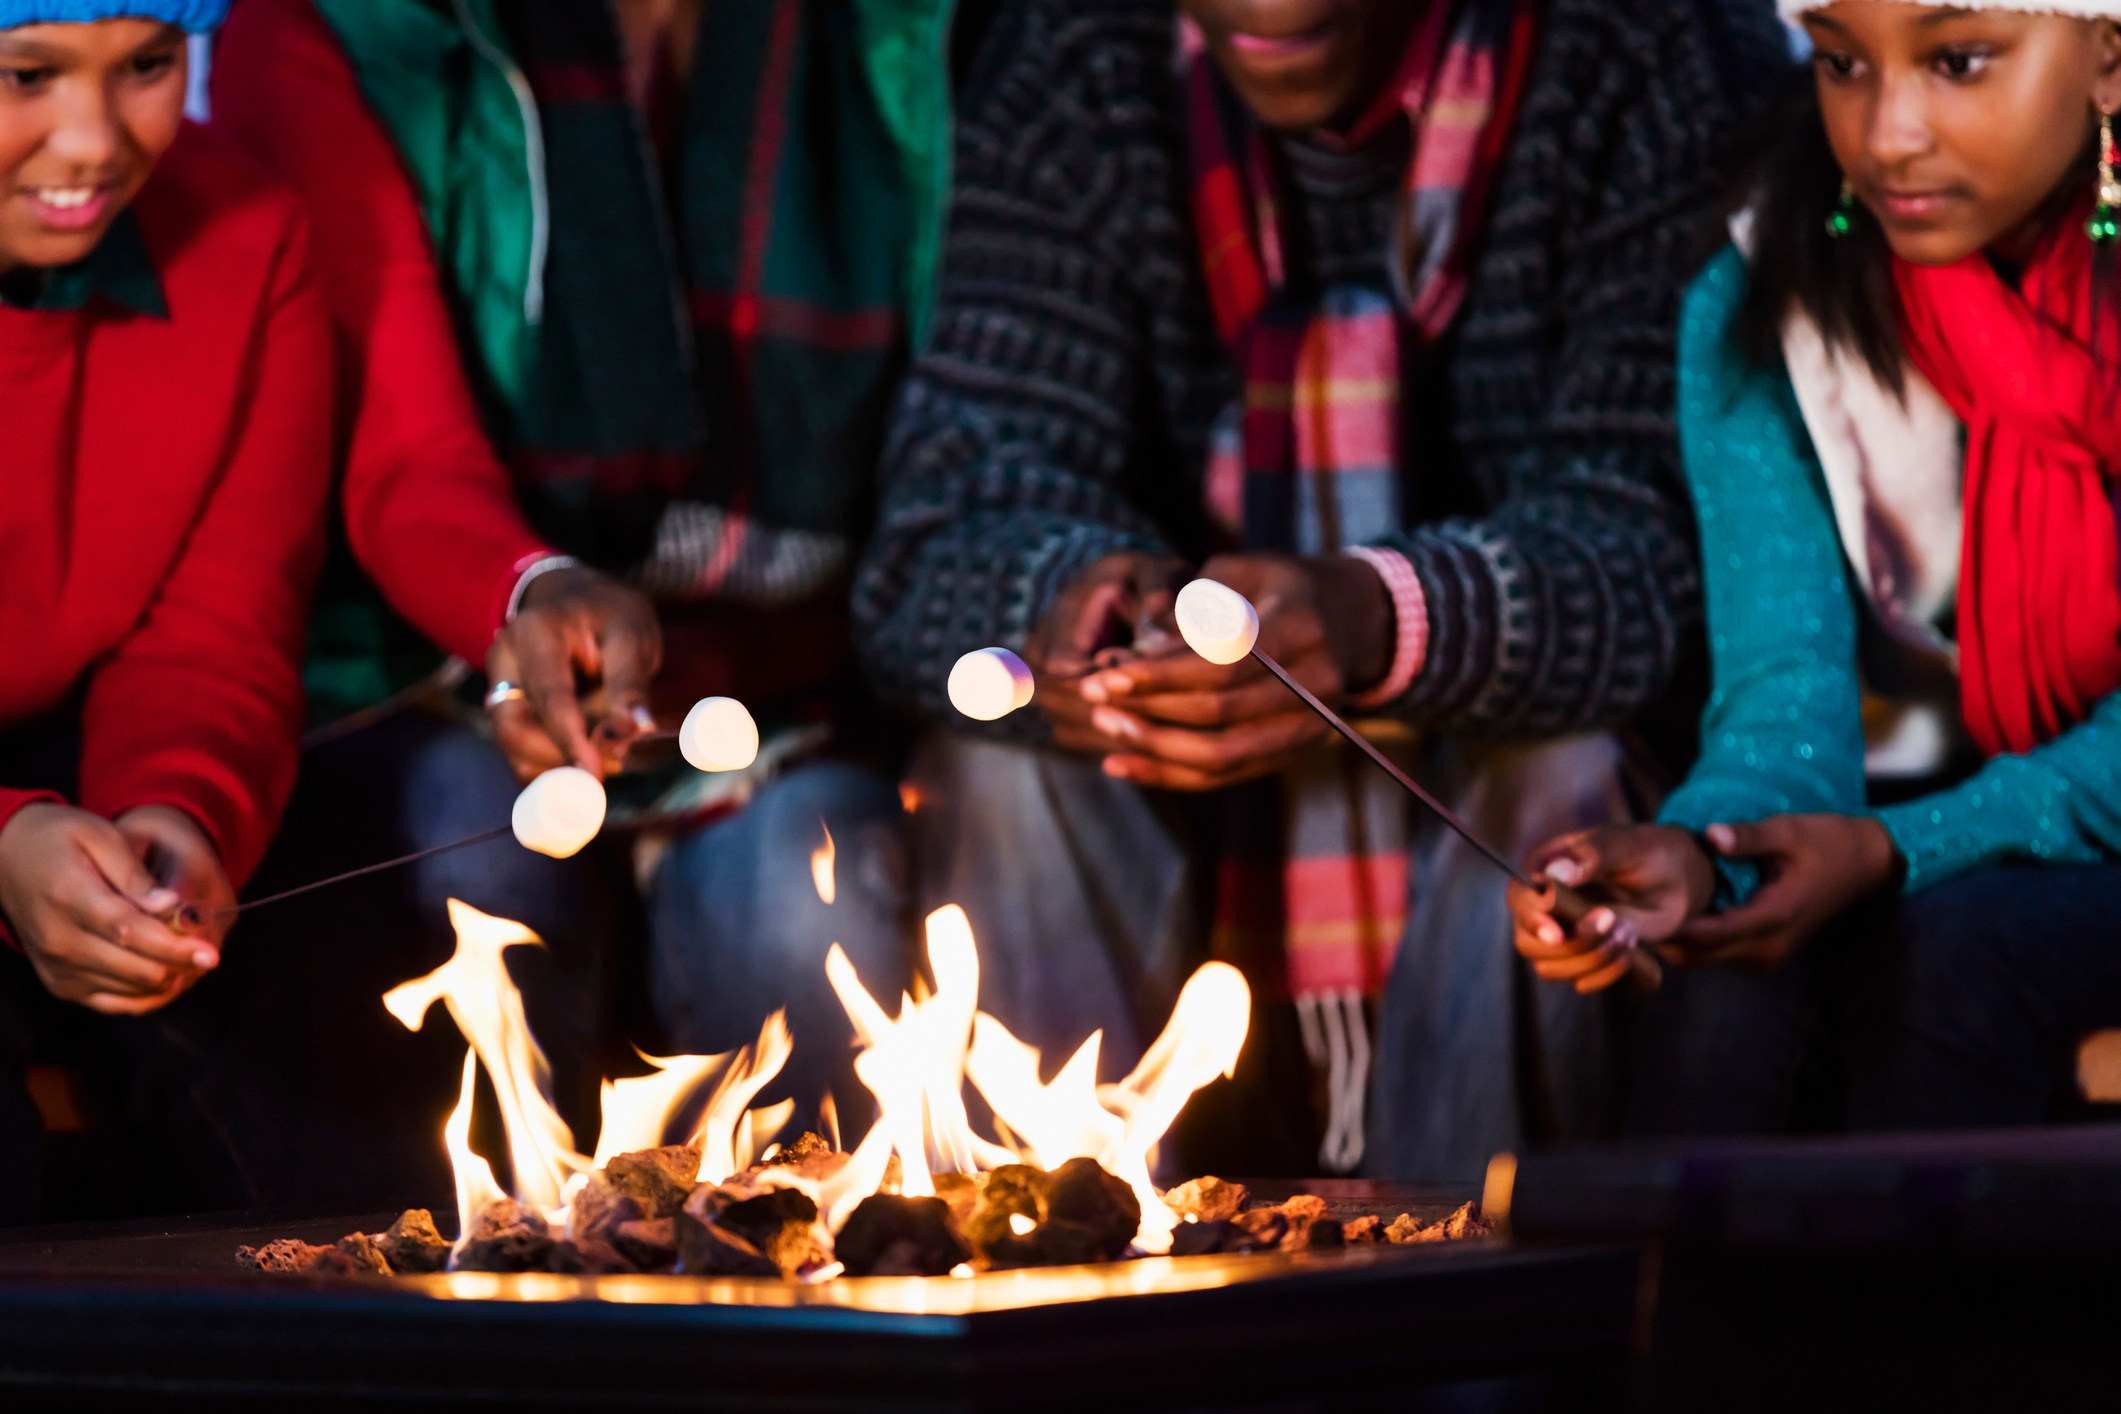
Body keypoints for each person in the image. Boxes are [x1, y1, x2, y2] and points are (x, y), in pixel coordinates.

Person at [855, 0, 1790, 1180]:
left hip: (1494, 785)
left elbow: (1672, 547)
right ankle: (1078, 1284)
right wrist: (1086, 611)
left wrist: (1370, 617)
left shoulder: (1649, 51)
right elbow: (938, 533)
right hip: (1187, 818)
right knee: (1001, 773)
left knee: (1558, 781)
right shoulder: (1081, 55)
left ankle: (1461, 1318)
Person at [180, 0, 962, 1205]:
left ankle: (811, 1335)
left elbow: (967, 442)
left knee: (809, 905)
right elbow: (402, 460)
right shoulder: (343, 34)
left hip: (786, 683)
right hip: (419, 668)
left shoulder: (898, 39)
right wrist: (524, 603)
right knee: (481, 870)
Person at [1510, 0, 2121, 1134]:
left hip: (2021, 835)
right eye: (1841, 62)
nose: (1886, 134)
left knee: (1961, 953)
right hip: (1983, 815)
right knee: (1725, 977)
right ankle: (1664, 1315)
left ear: (2110, 56)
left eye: (1957, 62)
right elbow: (1784, 696)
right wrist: (1706, 857)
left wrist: (1897, 850)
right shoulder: (1771, 297)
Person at [0, 0, 332, 1221]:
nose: (92, 140)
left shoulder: (248, 238)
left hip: (78, 770)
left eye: (147, 64)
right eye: (25, 73)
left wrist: (178, 807)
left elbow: (216, 625)